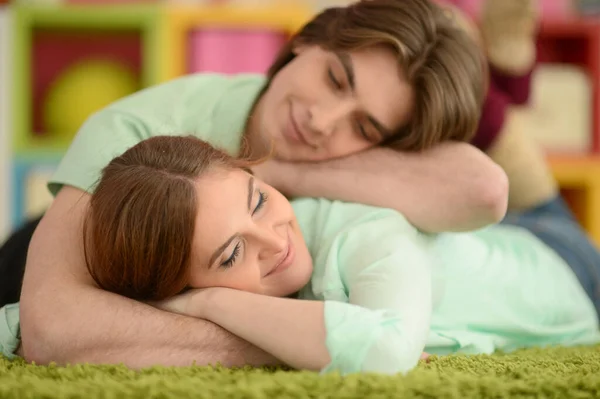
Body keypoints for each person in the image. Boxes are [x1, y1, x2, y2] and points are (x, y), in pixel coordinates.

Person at [1, 0, 512, 367]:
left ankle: (512, 84)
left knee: (539, 204)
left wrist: (289, 173)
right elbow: (51, 329)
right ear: (305, 41)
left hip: (527, 242)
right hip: (92, 240)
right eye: (336, 78)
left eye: (363, 127)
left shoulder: (357, 162)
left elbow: (487, 192)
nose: (321, 121)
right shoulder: (131, 131)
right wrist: (310, 344)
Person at [75, 135, 600, 375]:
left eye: (258, 200)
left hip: (569, 266)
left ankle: (508, 135)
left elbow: (387, 353)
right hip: (481, 246)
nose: (276, 242)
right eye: (233, 253)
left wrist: (205, 304)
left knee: (508, 176)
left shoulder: (366, 234)